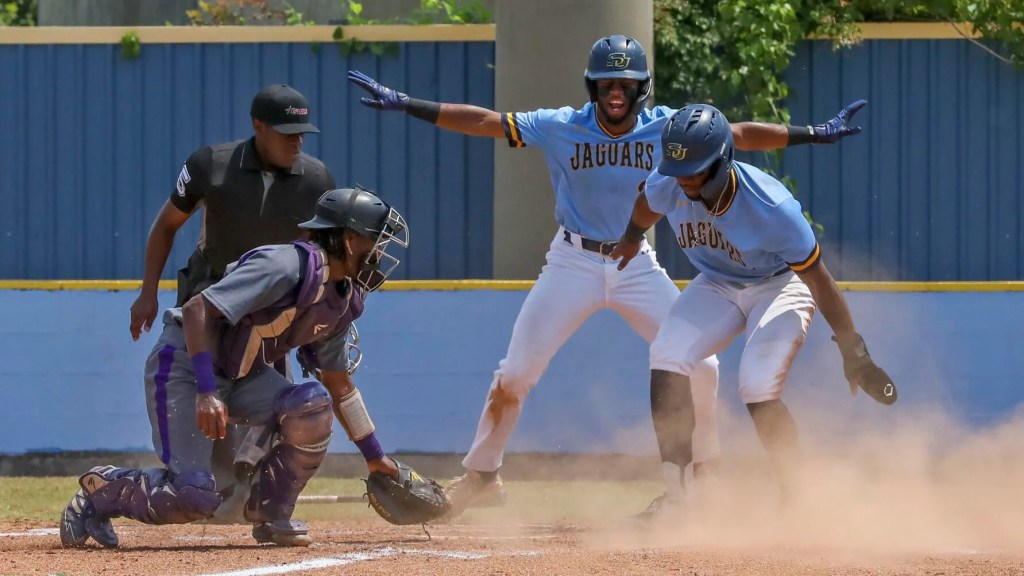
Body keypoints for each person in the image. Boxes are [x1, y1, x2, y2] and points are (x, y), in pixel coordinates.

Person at [348, 34, 866, 519]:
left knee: (700, 366)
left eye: (625, 84)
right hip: (573, 260)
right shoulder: (560, 124)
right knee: (516, 373)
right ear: (592, 86)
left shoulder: (667, 126)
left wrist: (813, 135)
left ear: (641, 88)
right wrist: (407, 102)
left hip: (635, 261)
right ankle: (483, 475)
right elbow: (486, 121)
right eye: (605, 83)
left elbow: (739, 135)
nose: (615, 92)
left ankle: (702, 474)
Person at [59, 187, 410, 548]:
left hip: (241, 374)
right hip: (186, 366)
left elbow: (338, 384)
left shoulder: (342, 298)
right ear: (350, 240)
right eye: (375, 242)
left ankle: (272, 512)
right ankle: (100, 489)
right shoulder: (284, 265)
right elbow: (198, 310)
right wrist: (208, 391)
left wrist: (376, 457)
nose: (379, 254)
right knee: (193, 496)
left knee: (312, 404)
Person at [610, 103, 896, 508]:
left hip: (780, 285)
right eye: (679, 168)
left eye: (696, 167)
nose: (685, 178)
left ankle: (796, 498)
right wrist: (630, 237)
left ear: (722, 160)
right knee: (667, 353)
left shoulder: (772, 208)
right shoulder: (669, 180)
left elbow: (820, 280)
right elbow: (646, 206)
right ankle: (676, 499)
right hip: (717, 283)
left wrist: (855, 353)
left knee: (756, 384)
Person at [127, 83, 337, 520]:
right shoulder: (211, 166)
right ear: (257, 126)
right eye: (285, 132)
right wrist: (148, 293)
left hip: (263, 328)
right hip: (206, 316)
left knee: (285, 419)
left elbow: (317, 263)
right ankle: (163, 486)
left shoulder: (317, 181)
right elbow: (166, 225)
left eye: (302, 133)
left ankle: (263, 506)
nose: (296, 142)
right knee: (207, 478)